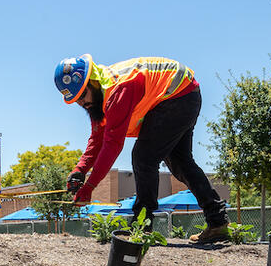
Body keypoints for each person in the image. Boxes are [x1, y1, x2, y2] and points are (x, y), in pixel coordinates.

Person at [54, 54, 229, 243]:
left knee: (143, 157)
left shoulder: (118, 90)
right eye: (76, 100)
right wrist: (80, 170)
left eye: (82, 95)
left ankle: (141, 226)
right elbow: (98, 137)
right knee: (181, 163)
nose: (81, 103)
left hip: (178, 95)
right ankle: (217, 221)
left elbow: (112, 145)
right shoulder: (100, 95)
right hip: (183, 94)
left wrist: (89, 186)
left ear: (92, 81)